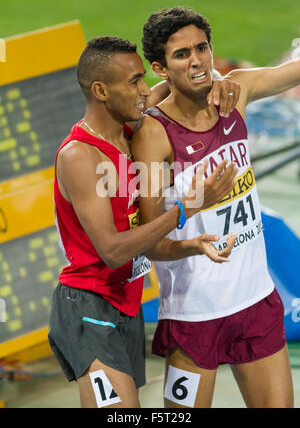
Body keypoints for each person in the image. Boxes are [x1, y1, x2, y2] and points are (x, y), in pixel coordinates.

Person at [48, 36, 240, 408]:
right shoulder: (80, 157)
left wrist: (221, 79)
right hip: (88, 307)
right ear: (101, 90)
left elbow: (177, 81)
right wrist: (187, 209)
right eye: (134, 81)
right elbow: (113, 250)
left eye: (143, 79)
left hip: (126, 304)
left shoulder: (128, 128)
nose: (144, 91)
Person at [132, 6, 300, 408]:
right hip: (196, 317)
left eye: (201, 48)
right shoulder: (154, 136)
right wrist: (195, 214)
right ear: (160, 68)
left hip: (258, 303)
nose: (197, 61)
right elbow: (149, 241)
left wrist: (223, 79)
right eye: (181, 55)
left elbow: (292, 72)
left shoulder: (235, 92)